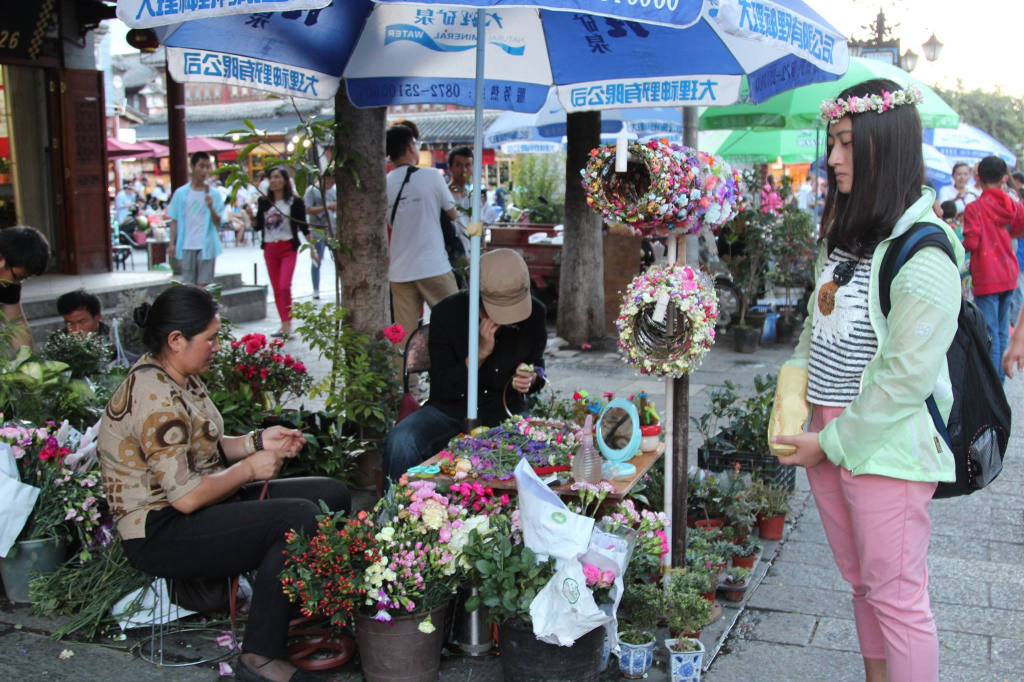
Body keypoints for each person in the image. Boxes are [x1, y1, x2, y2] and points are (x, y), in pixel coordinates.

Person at [772, 79, 962, 682]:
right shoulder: (850, 237)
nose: (833, 157)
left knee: (897, 597)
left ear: (888, 145)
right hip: (829, 433)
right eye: (832, 142)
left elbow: (905, 378)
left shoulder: (925, 253)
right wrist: (793, 399)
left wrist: (829, 441)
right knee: (862, 584)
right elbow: (815, 325)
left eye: (848, 143)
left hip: (885, 443)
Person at [97, 286, 349, 682]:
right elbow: (186, 498)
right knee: (299, 518)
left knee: (330, 495)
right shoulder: (155, 398)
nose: (217, 346)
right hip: (159, 532)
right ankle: (260, 657)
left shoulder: (175, 373)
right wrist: (249, 469)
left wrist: (257, 442)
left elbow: (207, 448)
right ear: (176, 340)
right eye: (210, 338)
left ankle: (290, 610)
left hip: (197, 505)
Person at [381, 249, 546, 490]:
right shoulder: (447, 313)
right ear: (478, 295)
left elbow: (538, 367)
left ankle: (519, 513)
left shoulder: (534, 314)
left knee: (540, 449)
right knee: (400, 441)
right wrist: (479, 354)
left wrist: (531, 379)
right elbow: (442, 387)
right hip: (449, 409)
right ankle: (396, 509)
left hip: (503, 410)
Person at [385, 124, 459, 354]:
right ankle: (459, 372)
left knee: (403, 337)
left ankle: (403, 377)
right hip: (433, 266)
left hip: (400, 271)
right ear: (410, 146)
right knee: (456, 325)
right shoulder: (431, 176)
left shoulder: (384, 183)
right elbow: (453, 213)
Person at [962, 155, 1024, 382]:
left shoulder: (975, 208)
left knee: (990, 333)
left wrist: (957, 244)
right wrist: (1006, 235)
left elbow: (972, 242)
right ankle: (1000, 381)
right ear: (1005, 178)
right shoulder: (1013, 205)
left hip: (987, 275)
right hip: (1009, 272)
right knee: (1001, 330)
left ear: (977, 177)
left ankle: (993, 384)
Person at [256, 168, 316, 337]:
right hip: (269, 248)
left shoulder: (294, 202)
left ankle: (288, 323)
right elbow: (257, 226)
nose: (273, 180)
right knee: (276, 288)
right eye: (271, 177)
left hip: (288, 247)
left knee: (284, 286)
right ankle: (284, 324)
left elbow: (303, 226)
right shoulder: (264, 201)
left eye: (277, 177)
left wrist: (312, 248)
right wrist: (251, 216)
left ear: (285, 180)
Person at [167, 152, 225, 286]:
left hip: (207, 245)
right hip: (186, 245)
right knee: (189, 286)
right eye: (201, 166)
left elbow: (218, 223)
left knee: (204, 286)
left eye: (208, 167)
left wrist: (211, 207)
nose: (205, 171)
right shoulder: (181, 193)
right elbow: (174, 219)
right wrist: (171, 244)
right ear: (193, 167)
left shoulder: (214, 194)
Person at [0, 225, 49, 349]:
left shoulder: (9, 284)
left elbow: (15, 324)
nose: (16, 282)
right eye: (18, 277)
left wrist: (27, 359)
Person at [447, 146, 498, 253]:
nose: (464, 170)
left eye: (468, 165)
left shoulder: (474, 198)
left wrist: (483, 255)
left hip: (471, 256)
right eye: (459, 165)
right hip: (449, 256)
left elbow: (479, 230)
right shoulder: (443, 196)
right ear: (450, 168)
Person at [303, 176, 334, 300]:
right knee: (317, 260)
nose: (332, 184)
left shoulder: (332, 192)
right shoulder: (312, 191)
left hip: (332, 230)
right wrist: (328, 207)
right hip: (317, 231)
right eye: (330, 181)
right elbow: (308, 209)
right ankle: (315, 288)